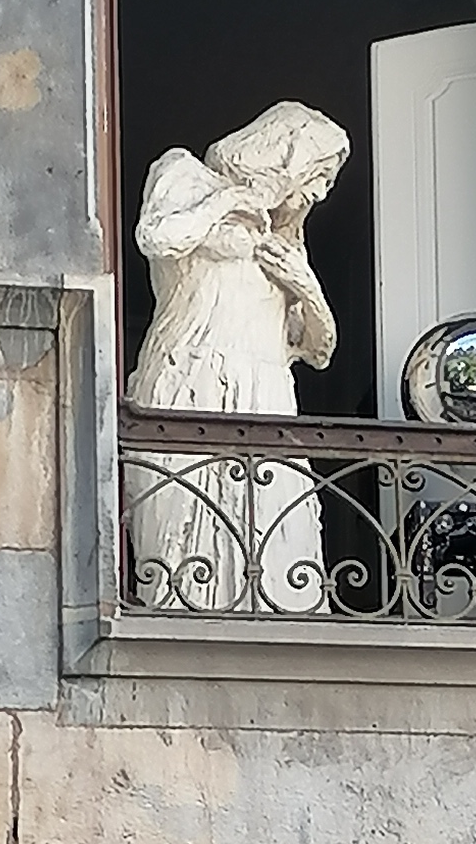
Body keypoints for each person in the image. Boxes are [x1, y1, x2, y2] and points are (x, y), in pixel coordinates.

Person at [124, 100, 349, 612]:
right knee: (182, 542)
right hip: (192, 379)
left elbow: (318, 351)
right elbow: (155, 236)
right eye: (318, 174)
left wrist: (308, 288)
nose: (319, 192)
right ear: (285, 155)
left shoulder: (286, 238)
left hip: (265, 397)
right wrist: (230, 200)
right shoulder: (184, 172)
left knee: (273, 552)